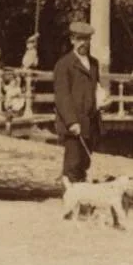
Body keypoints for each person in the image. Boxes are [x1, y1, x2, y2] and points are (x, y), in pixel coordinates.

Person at [53, 21, 102, 183]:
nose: (83, 43)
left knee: (84, 163)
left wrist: (102, 99)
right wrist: (71, 121)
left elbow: (96, 88)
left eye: (86, 39)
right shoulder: (64, 64)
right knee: (72, 165)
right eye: (79, 39)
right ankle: (71, 202)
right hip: (73, 124)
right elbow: (62, 96)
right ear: (72, 40)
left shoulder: (94, 63)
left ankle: (83, 202)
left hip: (90, 122)